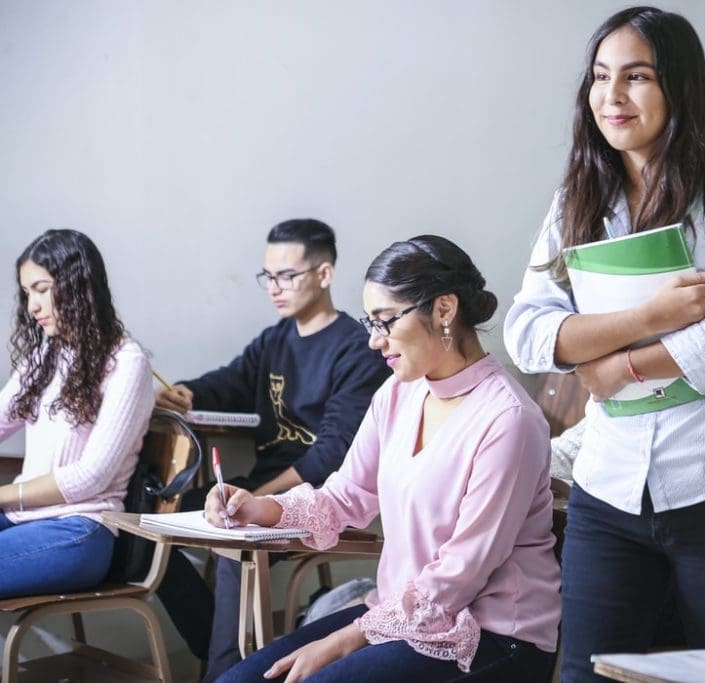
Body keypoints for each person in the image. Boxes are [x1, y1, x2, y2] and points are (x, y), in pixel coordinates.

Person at [503, 7, 705, 680]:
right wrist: (649, 318)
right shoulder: (577, 195)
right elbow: (527, 331)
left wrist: (618, 366)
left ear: (678, 87)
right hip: (607, 491)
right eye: (601, 77)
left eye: (636, 76)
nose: (612, 96)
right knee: (586, 673)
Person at [212, 235, 561, 682]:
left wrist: (344, 639)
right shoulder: (398, 392)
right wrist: (259, 508)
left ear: (443, 309)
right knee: (237, 680)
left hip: (491, 636)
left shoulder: (509, 420)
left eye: (385, 321)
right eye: (370, 323)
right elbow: (346, 495)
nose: (375, 342)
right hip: (400, 616)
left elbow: (460, 574)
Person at [153, 218, 390, 678]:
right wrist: (187, 393)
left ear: (324, 274)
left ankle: (218, 673)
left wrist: (261, 499)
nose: (274, 288)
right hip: (262, 487)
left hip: (317, 497)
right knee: (159, 522)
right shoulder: (275, 340)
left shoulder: (355, 349)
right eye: (269, 277)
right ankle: (213, 647)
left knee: (233, 548)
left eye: (287, 276)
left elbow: (331, 457)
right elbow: (231, 381)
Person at [0, 229, 154, 597]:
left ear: (76, 284)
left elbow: (89, 477)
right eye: (27, 293)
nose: (32, 305)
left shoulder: (127, 362)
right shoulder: (43, 357)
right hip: (21, 520)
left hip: (79, 530)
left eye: (41, 288)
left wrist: (3, 494)